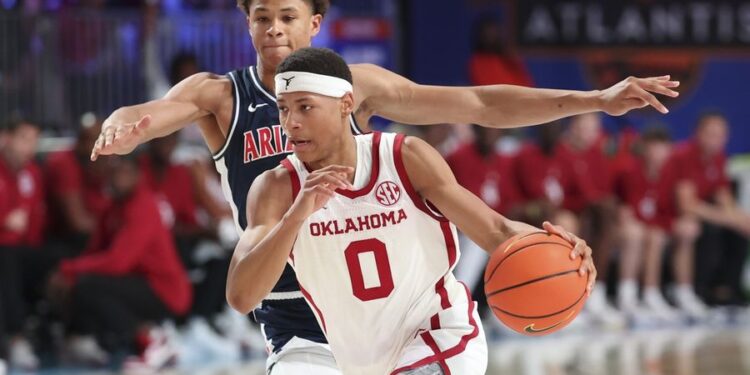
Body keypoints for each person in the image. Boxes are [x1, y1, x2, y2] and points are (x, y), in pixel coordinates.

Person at [89, 0, 677, 371]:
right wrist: (122, 126)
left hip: (392, 300)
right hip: (293, 304)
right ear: (245, 22)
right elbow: (147, 114)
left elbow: (475, 103)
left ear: (314, 23)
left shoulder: (358, 90)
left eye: (286, 16)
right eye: (261, 17)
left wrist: (591, 100)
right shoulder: (221, 95)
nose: (272, 30)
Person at [227, 47, 595, 375]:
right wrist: (296, 216)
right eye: (283, 109)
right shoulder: (276, 188)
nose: (290, 123)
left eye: (305, 107)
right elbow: (242, 296)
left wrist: (559, 252)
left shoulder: (404, 157)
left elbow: (496, 231)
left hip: (441, 337)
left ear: (345, 104)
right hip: (360, 361)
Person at [47, 155, 193, 366]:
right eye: (113, 171)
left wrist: (69, 268)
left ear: (137, 175)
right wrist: (66, 274)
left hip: (165, 290)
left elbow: (117, 263)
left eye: (123, 172)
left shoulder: (143, 205)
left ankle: (150, 340)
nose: (117, 178)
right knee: (80, 282)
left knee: (88, 285)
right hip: (138, 281)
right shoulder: (113, 206)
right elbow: (94, 250)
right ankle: (86, 339)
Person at [669, 112, 750, 307]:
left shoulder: (718, 158)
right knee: (709, 230)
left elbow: (723, 197)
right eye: (711, 134)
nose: (716, 140)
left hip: (702, 213)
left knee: (740, 228)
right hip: (674, 213)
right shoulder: (684, 155)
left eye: (721, 135)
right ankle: (699, 290)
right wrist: (727, 218)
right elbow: (687, 204)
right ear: (698, 133)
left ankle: (729, 290)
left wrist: (739, 218)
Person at [616, 127, 681, 321]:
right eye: (653, 148)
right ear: (643, 148)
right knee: (636, 234)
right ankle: (626, 293)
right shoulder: (630, 171)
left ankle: (651, 293)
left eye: (662, 148)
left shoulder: (670, 175)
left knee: (656, 236)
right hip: (626, 224)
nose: (657, 153)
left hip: (651, 225)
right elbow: (626, 209)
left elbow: (667, 210)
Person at [0, 118, 44, 371]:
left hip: (23, 251)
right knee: (6, 261)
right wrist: (5, 222)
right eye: (25, 139)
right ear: (7, 138)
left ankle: (79, 335)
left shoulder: (33, 173)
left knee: (64, 259)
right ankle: (14, 338)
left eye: (35, 141)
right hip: (4, 251)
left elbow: (35, 224)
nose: (31, 147)